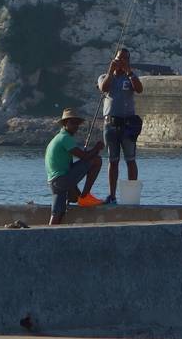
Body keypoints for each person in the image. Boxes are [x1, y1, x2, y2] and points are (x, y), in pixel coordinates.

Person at [98, 47, 145, 202]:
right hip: (111, 125)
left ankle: (131, 196)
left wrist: (129, 72)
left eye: (125, 59)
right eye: (120, 59)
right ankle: (112, 195)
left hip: (128, 125)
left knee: (130, 159)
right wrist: (111, 71)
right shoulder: (105, 77)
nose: (122, 62)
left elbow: (139, 90)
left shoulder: (130, 78)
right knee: (113, 160)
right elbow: (103, 89)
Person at [45, 108, 105, 225]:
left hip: (54, 183)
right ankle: (85, 196)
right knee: (97, 160)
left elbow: (69, 166)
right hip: (61, 180)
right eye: (72, 123)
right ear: (65, 124)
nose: (76, 126)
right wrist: (97, 148)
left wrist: (74, 189)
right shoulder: (65, 138)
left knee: (58, 212)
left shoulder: (57, 138)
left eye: (77, 123)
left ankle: (49, 233)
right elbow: (85, 157)